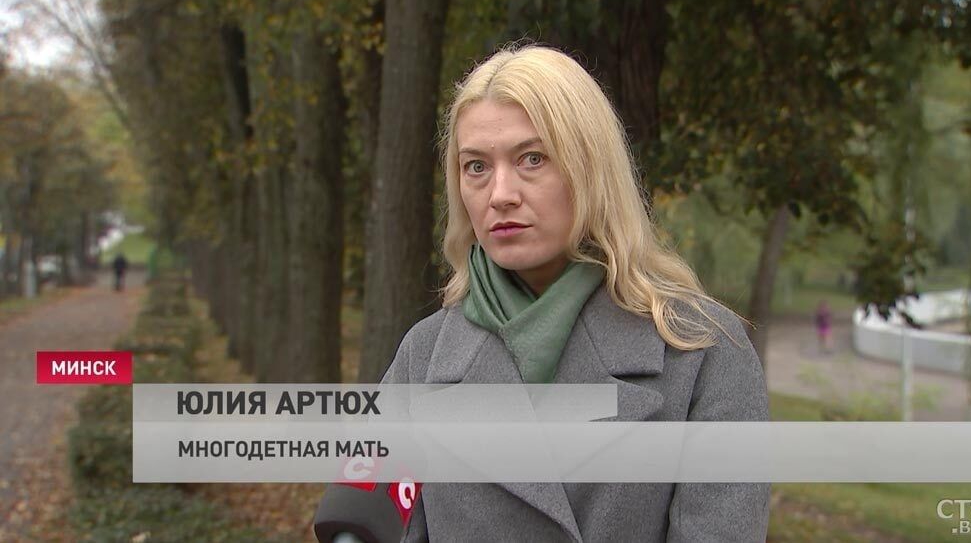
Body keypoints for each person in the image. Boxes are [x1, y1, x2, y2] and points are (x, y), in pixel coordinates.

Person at [321, 44, 770, 542]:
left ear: (590, 169)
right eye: (476, 167)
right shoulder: (423, 357)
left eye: (532, 159)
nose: (500, 194)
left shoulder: (702, 353)